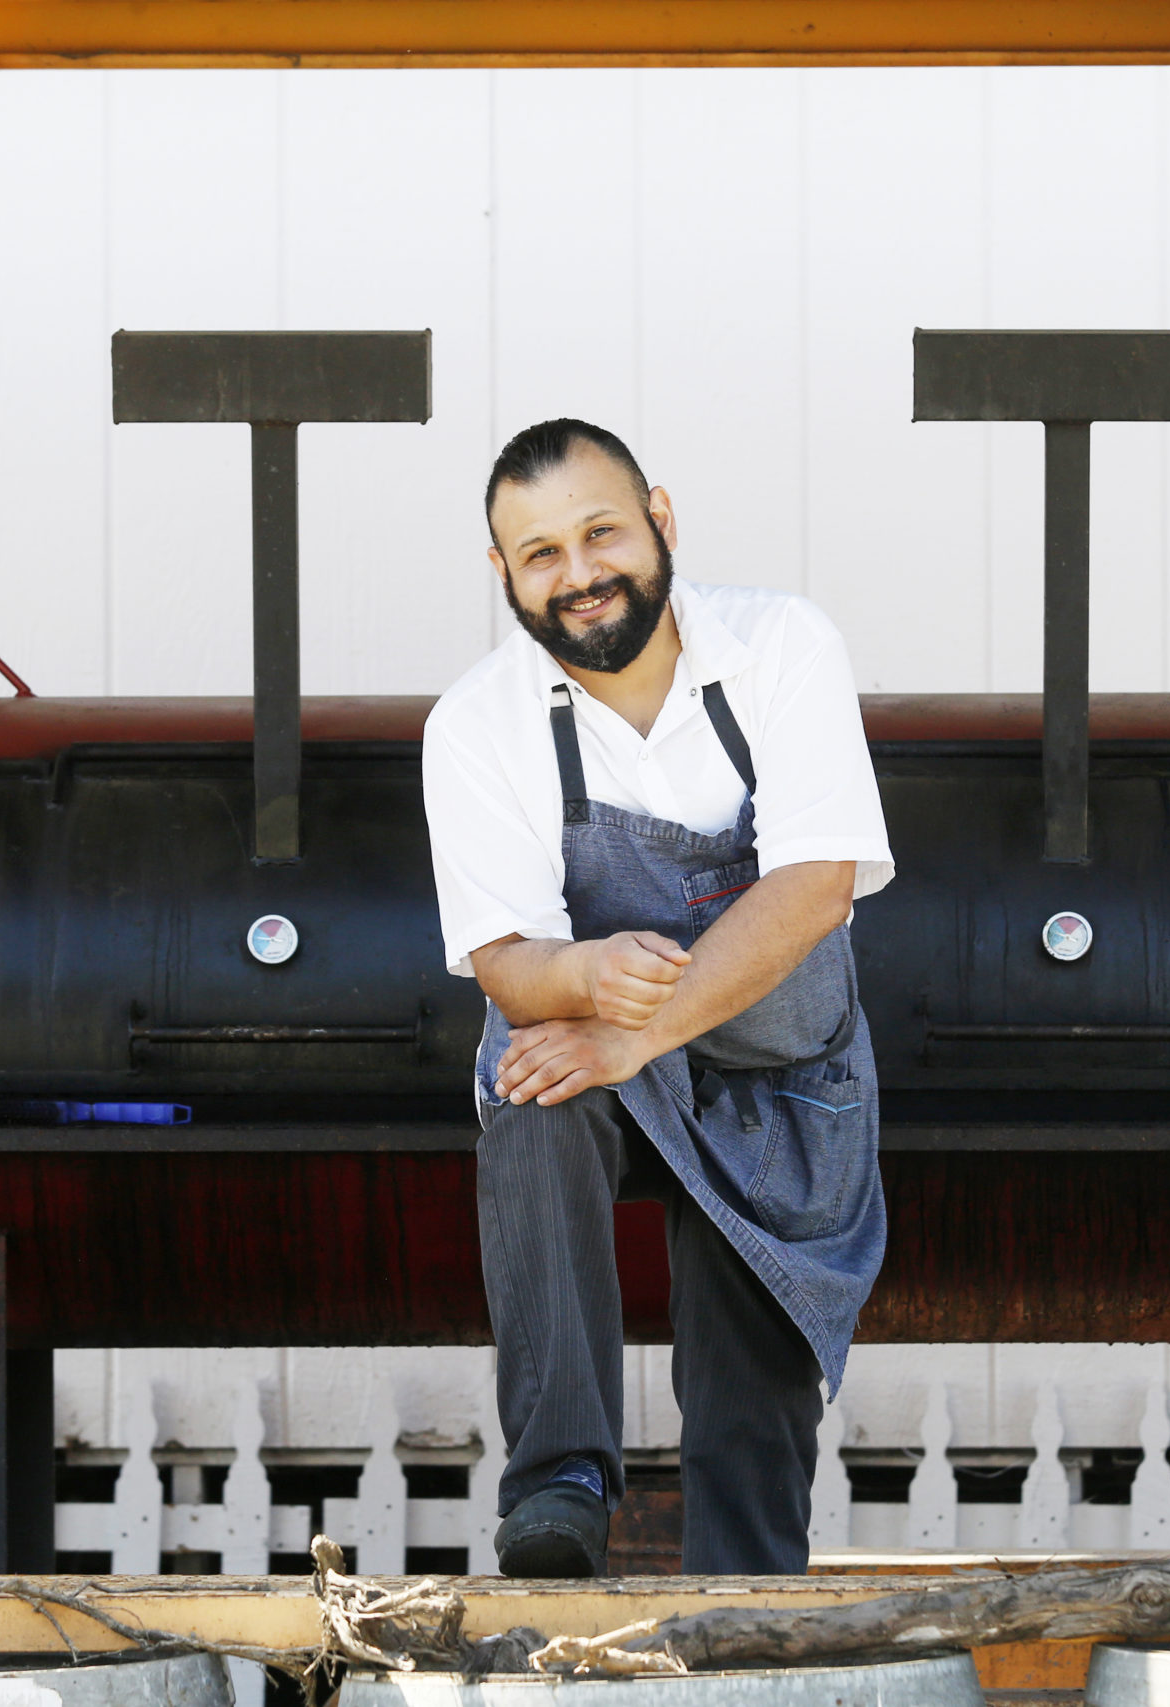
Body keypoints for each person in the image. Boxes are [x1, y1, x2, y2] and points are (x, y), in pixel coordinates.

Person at [421, 418, 894, 1577]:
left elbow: (813, 887)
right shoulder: (477, 726)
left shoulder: (782, 647)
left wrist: (639, 1029)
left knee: (751, 1417)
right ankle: (559, 1490)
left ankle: (749, 1613)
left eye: (600, 533)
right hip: (600, 1064)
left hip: (779, 1068)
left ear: (660, 522)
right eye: (540, 554)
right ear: (504, 576)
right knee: (531, 1083)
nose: (578, 574)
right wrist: (582, 977)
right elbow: (504, 964)